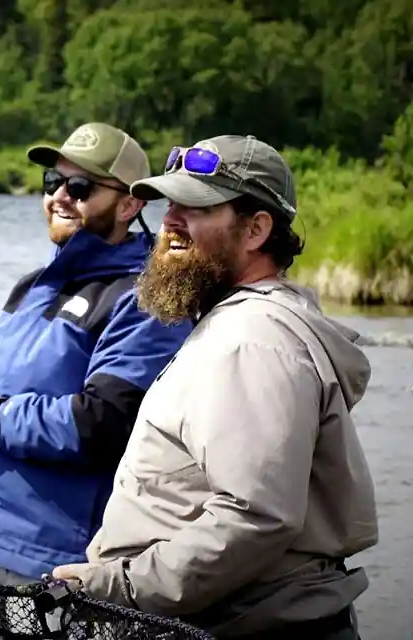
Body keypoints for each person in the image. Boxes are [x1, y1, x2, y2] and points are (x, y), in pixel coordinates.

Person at [51, 134, 379, 639]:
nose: (170, 221)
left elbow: (256, 516)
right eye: (171, 204)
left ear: (256, 229)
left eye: (197, 207)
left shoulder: (250, 340)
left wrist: (118, 587)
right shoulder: (242, 323)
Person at [0, 122, 193, 593]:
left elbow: (98, 424)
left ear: (130, 205)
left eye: (79, 187)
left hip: (55, 564)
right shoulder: (34, 285)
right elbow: (8, 398)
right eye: (52, 182)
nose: (60, 196)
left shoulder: (148, 300)